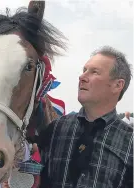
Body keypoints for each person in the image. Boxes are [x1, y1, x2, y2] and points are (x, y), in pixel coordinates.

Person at [37, 46, 133, 188]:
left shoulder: (130, 142)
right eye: (84, 70)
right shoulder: (55, 129)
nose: (82, 77)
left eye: (94, 72)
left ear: (117, 85)